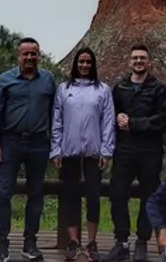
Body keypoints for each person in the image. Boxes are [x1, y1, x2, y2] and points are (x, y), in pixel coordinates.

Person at [0, 37, 58, 262]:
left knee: (36, 193)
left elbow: (55, 115)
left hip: (39, 143)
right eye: (25, 53)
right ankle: (2, 245)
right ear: (18, 55)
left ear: (39, 55)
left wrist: (55, 146)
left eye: (33, 53)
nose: (29, 57)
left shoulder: (48, 79)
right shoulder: (5, 79)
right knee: (2, 193)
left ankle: (30, 243)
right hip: (10, 142)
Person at [103, 45, 166, 262]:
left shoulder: (159, 89)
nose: (139, 61)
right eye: (135, 58)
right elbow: (109, 115)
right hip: (124, 149)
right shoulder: (120, 87)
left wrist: (133, 123)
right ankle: (121, 242)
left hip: (150, 150)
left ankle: (142, 241)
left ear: (148, 62)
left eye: (142, 58)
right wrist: (116, 120)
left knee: (149, 196)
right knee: (117, 193)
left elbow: (162, 119)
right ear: (129, 61)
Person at [51, 47, 116, 261]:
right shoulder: (64, 88)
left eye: (88, 62)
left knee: (93, 197)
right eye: (81, 62)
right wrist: (56, 149)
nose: (85, 65)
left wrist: (106, 151)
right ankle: (73, 242)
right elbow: (57, 121)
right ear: (76, 64)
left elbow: (108, 122)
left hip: (94, 152)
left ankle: (91, 242)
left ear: (93, 64)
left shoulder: (103, 89)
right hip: (68, 151)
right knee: (70, 196)